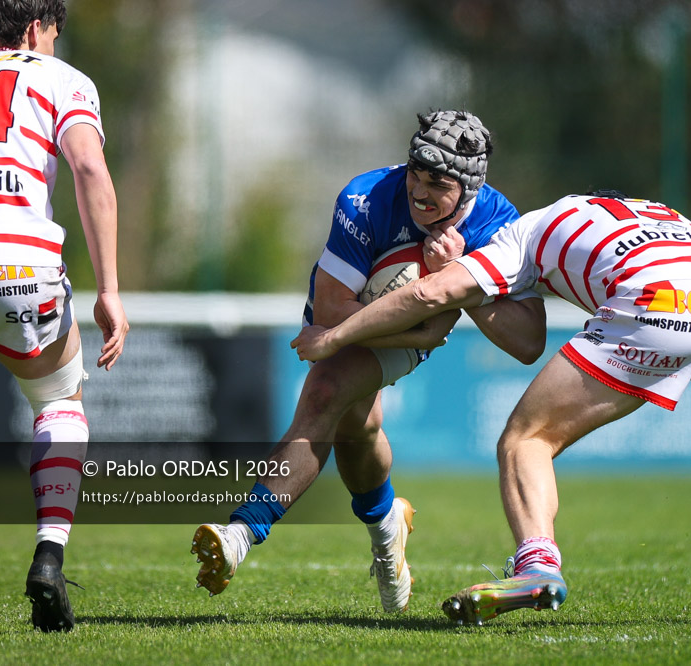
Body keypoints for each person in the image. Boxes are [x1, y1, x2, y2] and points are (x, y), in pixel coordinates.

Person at [293, 191, 691, 624]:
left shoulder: (515, 236)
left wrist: (334, 336)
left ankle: (537, 566)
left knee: (525, 440)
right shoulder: (635, 208)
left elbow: (433, 293)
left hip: (659, 297)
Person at [191, 110, 545, 612]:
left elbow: (528, 341)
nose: (418, 192)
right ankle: (387, 529)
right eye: (414, 175)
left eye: (437, 185)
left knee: (326, 391)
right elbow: (337, 312)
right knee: (358, 425)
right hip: (347, 313)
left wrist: (463, 280)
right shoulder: (366, 197)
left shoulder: (500, 223)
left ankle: (239, 536)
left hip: (397, 331)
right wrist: (420, 319)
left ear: (468, 191)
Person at [0, 0, 128, 632]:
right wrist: (110, 288)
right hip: (17, 265)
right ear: (38, 27)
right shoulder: (60, 77)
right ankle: (48, 554)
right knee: (59, 400)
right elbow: (89, 166)